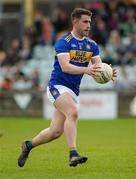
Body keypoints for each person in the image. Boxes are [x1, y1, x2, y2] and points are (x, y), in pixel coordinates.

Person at [18, 8, 116, 167]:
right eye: (85, 21)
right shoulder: (63, 41)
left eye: (90, 22)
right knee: (73, 112)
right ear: (75, 22)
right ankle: (73, 154)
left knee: (55, 132)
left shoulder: (92, 45)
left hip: (72, 91)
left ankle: (28, 145)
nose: (88, 25)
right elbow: (65, 67)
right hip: (57, 86)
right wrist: (86, 69)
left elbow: (98, 67)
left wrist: (108, 73)